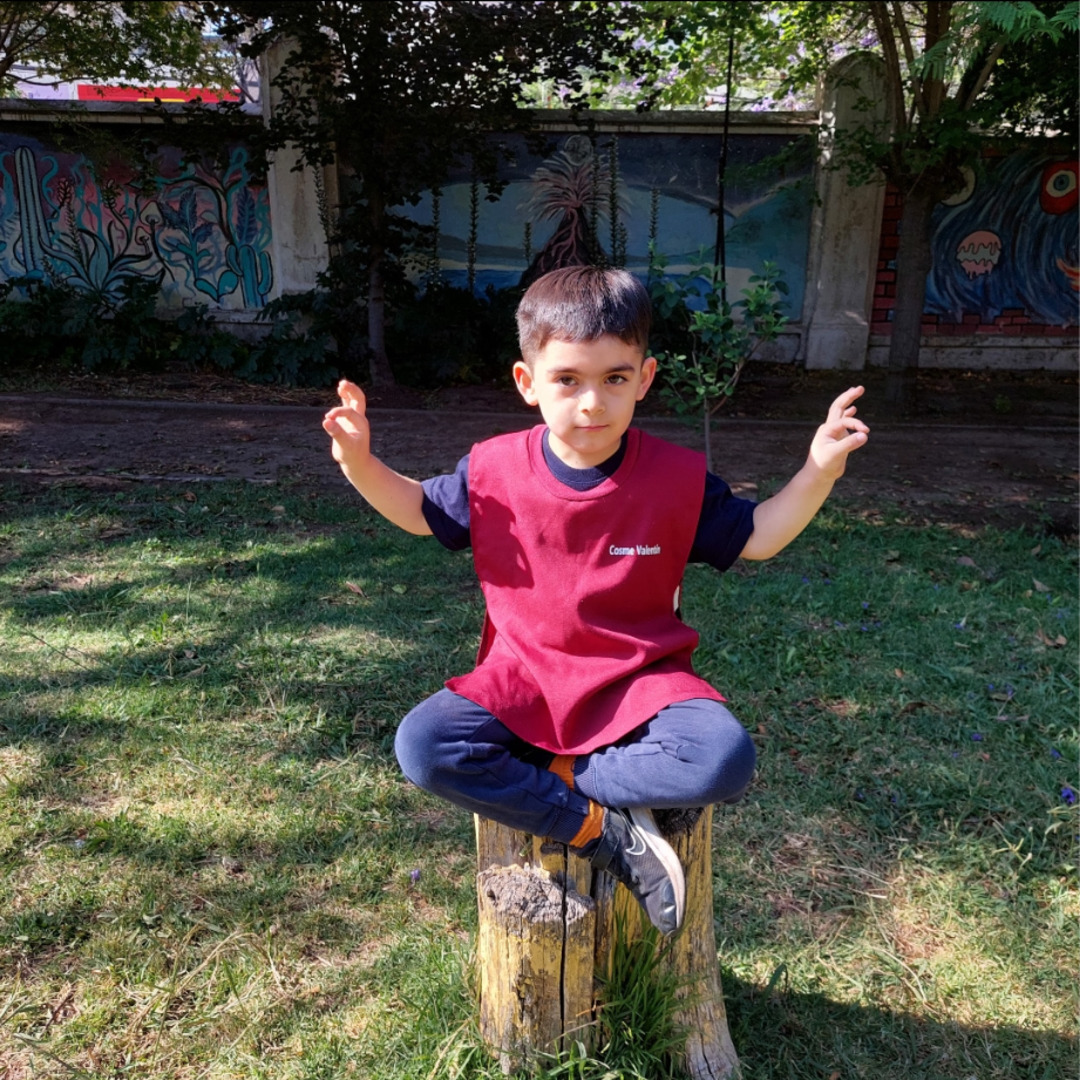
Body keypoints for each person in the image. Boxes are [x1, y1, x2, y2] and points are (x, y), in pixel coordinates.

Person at [323, 266, 869, 936]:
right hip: (523, 677)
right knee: (426, 746)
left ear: (644, 378)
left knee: (722, 758)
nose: (592, 403)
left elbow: (756, 536)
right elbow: (419, 510)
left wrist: (818, 470)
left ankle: (556, 769)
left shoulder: (674, 477)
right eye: (567, 380)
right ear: (527, 382)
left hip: (640, 680)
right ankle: (602, 833)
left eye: (614, 378)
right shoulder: (494, 469)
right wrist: (360, 464)